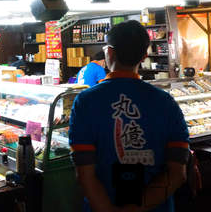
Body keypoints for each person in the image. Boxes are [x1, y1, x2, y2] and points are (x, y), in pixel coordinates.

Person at [69, 20, 189, 212]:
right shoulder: (166, 102)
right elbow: (177, 173)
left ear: (109, 53)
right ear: (144, 56)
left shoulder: (85, 101)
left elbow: (84, 174)